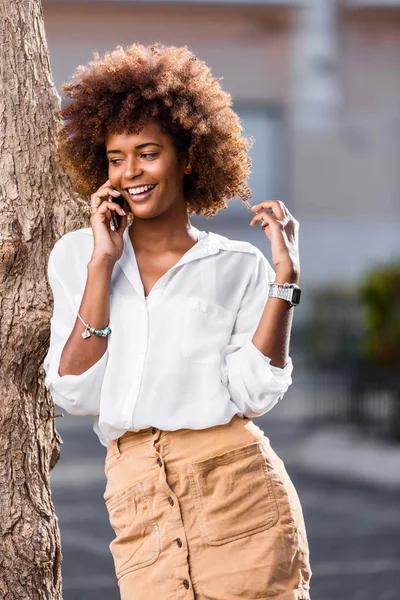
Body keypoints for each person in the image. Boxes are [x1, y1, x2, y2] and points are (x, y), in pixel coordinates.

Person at [43, 42, 311, 600]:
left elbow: (255, 390)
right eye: (116, 158)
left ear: (187, 157)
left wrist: (284, 280)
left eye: (147, 153)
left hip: (235, 486)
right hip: (136, 492)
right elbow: (72, 389)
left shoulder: (238, 265)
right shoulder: (77, 257)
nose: (130, 172)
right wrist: (102, 265)